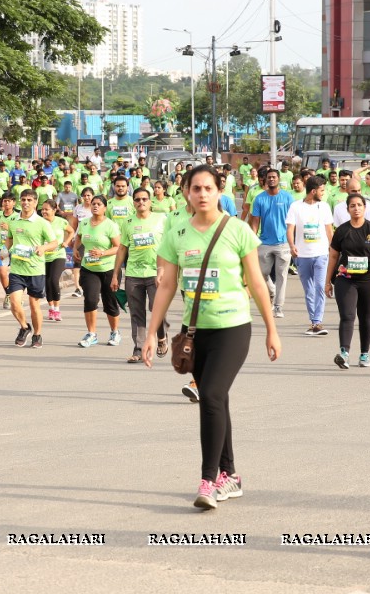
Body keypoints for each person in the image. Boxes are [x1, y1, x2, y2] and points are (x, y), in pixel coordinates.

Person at [143, 164, 280, 510]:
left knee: (212, 395)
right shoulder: (177, 234)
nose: (202, 194)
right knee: (218, 401)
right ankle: (230, 474)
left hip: (233, 327)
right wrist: (150, 333)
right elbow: (168, 286)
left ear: (220, 191)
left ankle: (208, 480)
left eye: (208, 188)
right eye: (195, 188)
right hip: (195, 331)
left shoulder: (237, 231)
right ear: (186, 193)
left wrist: (271, 330)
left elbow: (257, 284)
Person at [325, 193, 370, 369]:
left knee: (365, 316)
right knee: (347, 315)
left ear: (364, 208)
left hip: (368, 280)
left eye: (359, 205)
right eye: (352, 206)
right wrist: (327, 282)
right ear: (347, 209)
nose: (356, 208)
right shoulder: (342, 231)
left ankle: (364, 354)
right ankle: (344, 353)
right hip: (346, 280)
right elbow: (333, 256)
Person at [113, 187, 168, 362]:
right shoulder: (128, 222)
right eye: (137, 199)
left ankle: (162, 337)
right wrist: (115, 274)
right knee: (136, 313)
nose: (141, 202)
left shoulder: (161, 219)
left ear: (150, 201)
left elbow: (170, 246)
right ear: (133, 202)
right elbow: (122, 249)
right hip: (133, 274)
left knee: (157, 309)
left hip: (156, 273)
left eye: (144, 199)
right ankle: (138, 349)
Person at [4, 189, 57, 348]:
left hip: (35, 270)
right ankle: (24, 327)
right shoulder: (14, 221)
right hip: (17, 269)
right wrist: (8, 249)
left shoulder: (42, 223)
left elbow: (54, 243)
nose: (26, 203)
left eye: (29, 200)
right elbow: (9, 239)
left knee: (34, 305)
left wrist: (43, 248)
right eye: (24, 199)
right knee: (14, 302)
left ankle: (37, 334)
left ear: (35, 203)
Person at [286, 176, 334, 337]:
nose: (323, 193)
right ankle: (313, 321)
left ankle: (317, 322)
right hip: (302, 255)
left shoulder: (325, 207)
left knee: (320, 287)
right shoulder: (295, 207)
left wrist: (334, 249)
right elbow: (290, 229)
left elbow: (329, 230)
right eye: (321, 190)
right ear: (313, 191)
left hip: (321, 254)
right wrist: (292, 246)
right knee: (309, 290)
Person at [74, 194, 122, 348]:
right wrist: (75, 248)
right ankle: (92, 334)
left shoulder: (110, 225)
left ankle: (115, 331)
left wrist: (102, 253)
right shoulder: (85, 223)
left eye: (99, 204)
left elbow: (118, 247)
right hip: (89, 268)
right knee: (90, 299)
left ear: (104, 208)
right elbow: (79, 237)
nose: (95, 206)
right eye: (93, 203)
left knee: (110, 302)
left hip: (108, 269)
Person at [249, 169, 293, 318]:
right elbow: (255, 222)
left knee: (282, 275)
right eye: (269, 178)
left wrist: (294, 242)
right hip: (264, 242)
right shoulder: (260, 199)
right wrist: (251, 242)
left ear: (279, 179)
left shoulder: (287, 197)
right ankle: (272, 291)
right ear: (265, 180)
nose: (272, 179)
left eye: (274, 177)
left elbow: (293, 222)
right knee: (262, 274)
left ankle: (278, 307)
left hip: (283, 243)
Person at [39, 199, 74, 323]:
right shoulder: (39, 223)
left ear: (54, 210)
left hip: (58, 255)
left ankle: (57, 309)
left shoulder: (61, 222)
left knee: (54, 280)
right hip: (43, 257)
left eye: (46, 209)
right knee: (47, 283)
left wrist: (66, 242)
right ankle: (51, 308)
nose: (44, 211)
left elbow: (71, 231)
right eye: (42, 209)